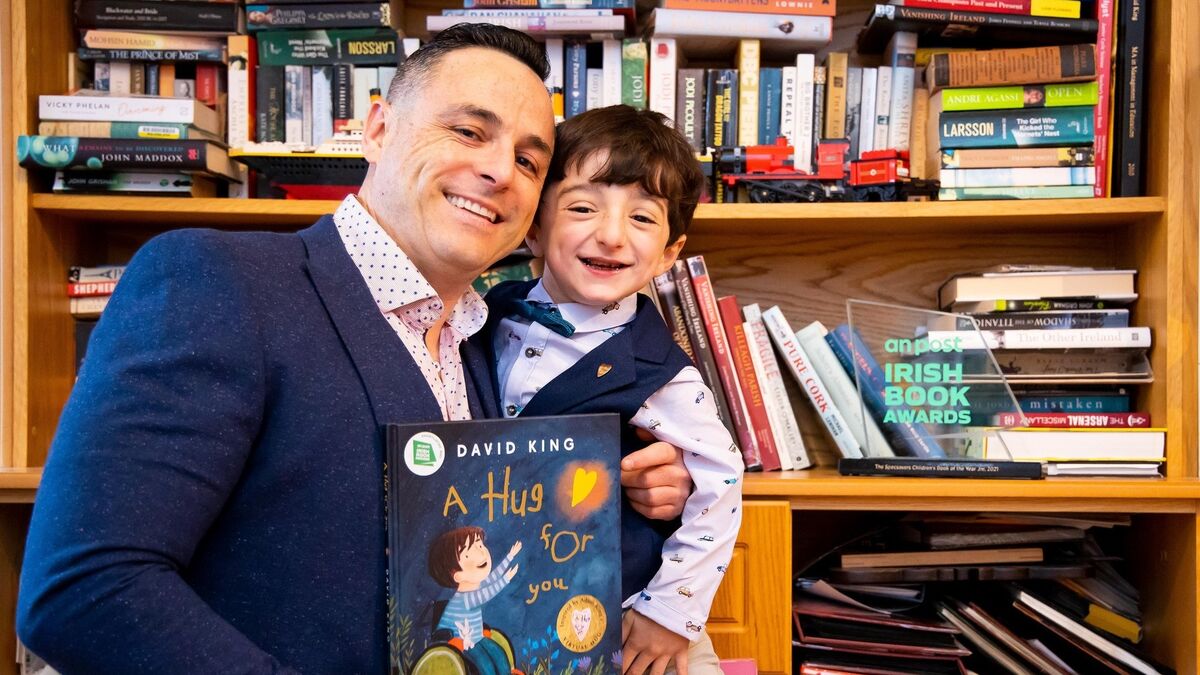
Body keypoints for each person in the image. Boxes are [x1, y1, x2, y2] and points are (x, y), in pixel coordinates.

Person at [16, 25, 691, 674]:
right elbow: (86, 591)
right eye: (468, 131)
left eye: (528, 161)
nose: (497, 171)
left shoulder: (489, 346)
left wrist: (644, 494)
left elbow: (525, 544)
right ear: (377, 130)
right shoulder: (218, 281)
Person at [478, 105, 744, 675]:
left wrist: (670, 614)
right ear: (533, 227)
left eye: (643, 218)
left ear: (670, 252)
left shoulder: (660, 371)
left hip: (626, 617)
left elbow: (721, 484)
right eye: (582, 208)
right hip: (506, 606)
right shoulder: (482, 318)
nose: (611, 235)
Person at [427, 527, 522, 674]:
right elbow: (488, 592)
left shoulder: (474, 586)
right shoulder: (465, 598)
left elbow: (492, 578)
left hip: (477, 637)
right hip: (462, 642)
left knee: (499, 655)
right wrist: (506, 579)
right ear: (457, 575)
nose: (481, 552)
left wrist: (510, 556)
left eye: (480, 545)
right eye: (467, 554)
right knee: (486, 666)